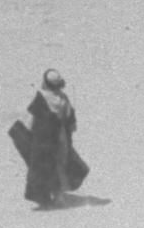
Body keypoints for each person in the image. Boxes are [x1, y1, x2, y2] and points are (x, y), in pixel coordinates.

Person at [12, 70, 87, 207]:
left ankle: (45, 199)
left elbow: (30, 118)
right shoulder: (64, 98)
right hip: (60, 137)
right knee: (60, 164)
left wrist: (20, 132)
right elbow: (70, 120)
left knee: (42, 167)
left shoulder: (41, 97)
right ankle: (58, 195)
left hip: (44, 140)